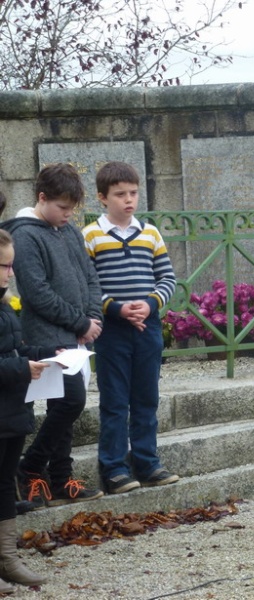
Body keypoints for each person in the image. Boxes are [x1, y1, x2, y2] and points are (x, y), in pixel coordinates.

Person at [1, 163, 104, 508]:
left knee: (68, 406)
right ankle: (30, 466)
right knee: (71, 402)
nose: (67, 215)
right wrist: (80, 323)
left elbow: (89, 275)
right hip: (47, 334)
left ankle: (61, 478)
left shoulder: (69, 229)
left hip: (78, 333)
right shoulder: (26, 234)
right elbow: (37, 292)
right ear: (42, 198)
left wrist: (93, 316)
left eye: (72, 209)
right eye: (61, 207)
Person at [82, 161, 179, 494]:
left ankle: (148, 462)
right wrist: (116, 307)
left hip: (147, 327)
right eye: (120, 194)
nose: (128, 200)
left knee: (146, 397)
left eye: (133, 193)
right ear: (102, 197)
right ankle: (113, 468)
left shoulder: (150, 233)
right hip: (112, 330)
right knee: (114, 400)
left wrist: (150, 303)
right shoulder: (91, 235)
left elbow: (167, 278)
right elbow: (90, 283)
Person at [0, 230, 51, 591]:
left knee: (4, 483)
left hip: (11, 411)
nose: (10, 273)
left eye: (11, 265)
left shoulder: (5, 304)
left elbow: (12, 349)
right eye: (4, 266)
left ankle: (7, 558)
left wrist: (43, 356)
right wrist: (21, 368)